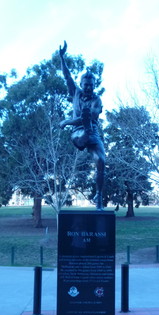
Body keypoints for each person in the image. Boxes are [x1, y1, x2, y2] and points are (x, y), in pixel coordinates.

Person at [59, 41, 105, 210]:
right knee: (80, 136)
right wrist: (62, 57)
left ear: (94, 86)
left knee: (101, 161)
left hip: (92, 133)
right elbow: (67, 76)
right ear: (82, 84)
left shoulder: (97, 100)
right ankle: (85, 130)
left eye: (91, 85)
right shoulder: (76, 93)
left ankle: (99, 197)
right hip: (78, 132)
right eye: (85, 84)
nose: (88, 87)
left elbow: (92, 115)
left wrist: (66, 121)